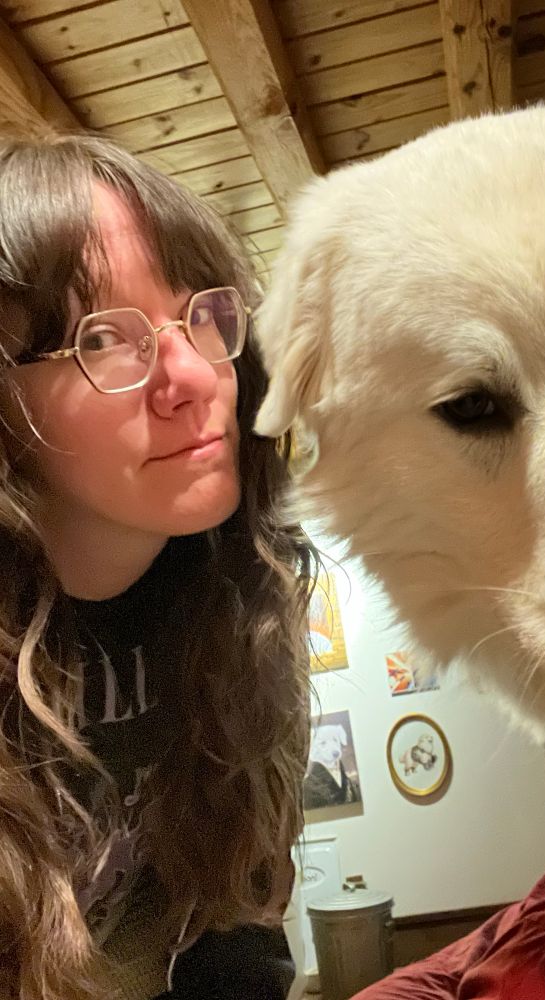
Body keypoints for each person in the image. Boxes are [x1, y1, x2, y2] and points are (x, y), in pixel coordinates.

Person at [0, 130, 314, 1000]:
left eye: (201, 314)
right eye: (105, 338)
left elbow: (238, 932)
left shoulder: (243, 605)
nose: (191, 374)